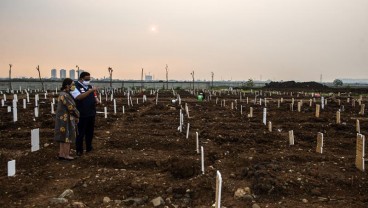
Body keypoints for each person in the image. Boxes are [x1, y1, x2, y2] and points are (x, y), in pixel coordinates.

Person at [71, 72, 99, 156]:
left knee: (90, 132)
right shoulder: (74, 86)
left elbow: (94, 95)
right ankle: (79, 150)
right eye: (86, 79)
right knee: (80, 133)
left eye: (89, 79)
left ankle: (89, 147)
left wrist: (96, 100)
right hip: (81, 114)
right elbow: (78, 97)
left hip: (91, 113)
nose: (88, 81)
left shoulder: (89, 87)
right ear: (81, 79)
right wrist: (90, 91)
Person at [54, 78, 80, 160]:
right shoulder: (65, 95)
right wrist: (77, 115)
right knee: (67, 136)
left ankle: (62, 154)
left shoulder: (63, 94)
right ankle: (66, 155)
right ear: (67, 86)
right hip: (66, 119)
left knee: (63, 136)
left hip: (62, 118)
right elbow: (71, 107)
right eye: (72, 84)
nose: (73, 86)